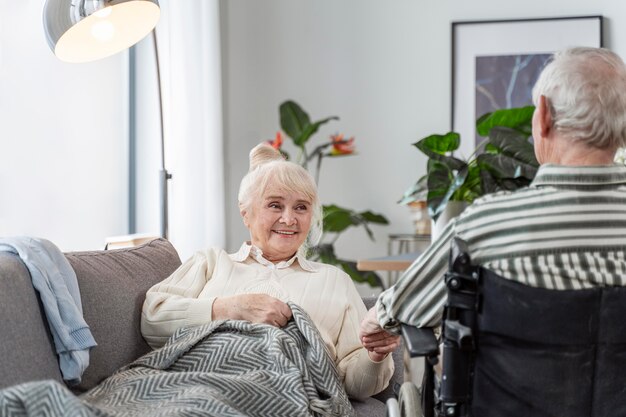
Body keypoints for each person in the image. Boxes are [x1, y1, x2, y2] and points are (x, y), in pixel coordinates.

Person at [360, 46, 626, 344]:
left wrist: (378, 316)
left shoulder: (487, 223)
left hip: (516, 391)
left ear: (545, 116)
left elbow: (406, 306)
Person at [141, 143, 399, 400]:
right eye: (275, 205)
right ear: (246, 214)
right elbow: (153, 318)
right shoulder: (211, 262)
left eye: (301, 207)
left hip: (284, 398)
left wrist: (374, 356)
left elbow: (354, 386)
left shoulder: (334, 280)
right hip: (190, 387)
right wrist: (231, 309)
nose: (289, 219)